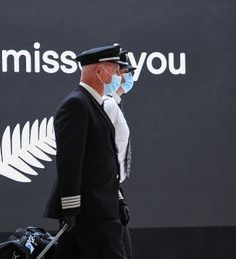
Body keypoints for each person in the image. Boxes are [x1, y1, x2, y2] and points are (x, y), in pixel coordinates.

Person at [43, 44, 127, 259]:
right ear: (100, 71)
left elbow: (104, 161)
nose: (119, 76)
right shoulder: (76, 104)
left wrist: (118, 199)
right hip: (90, 212)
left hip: (102, 207)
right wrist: (71, 208)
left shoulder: (94, 104)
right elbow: (69, 162)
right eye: (115, 70)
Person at [102, 50, 137, 259]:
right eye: (123, 71)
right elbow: (102, 156)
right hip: (103, 193)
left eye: (127, 72)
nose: (126, 77)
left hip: (112, 190)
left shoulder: (114, 103)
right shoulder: (107, 105)